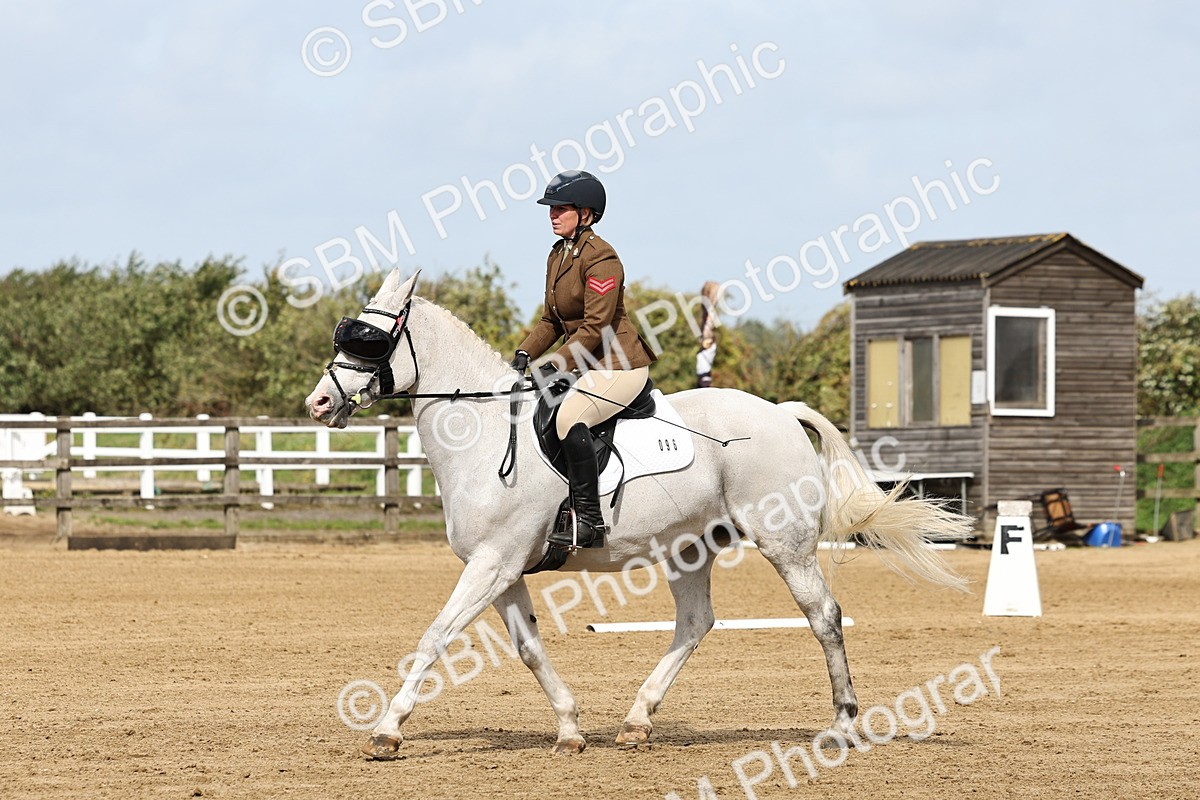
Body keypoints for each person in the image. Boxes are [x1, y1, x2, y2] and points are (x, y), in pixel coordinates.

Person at [510, 170, 657, 550]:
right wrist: (525, 353)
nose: (552, 214)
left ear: (586, 213)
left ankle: (590, 521)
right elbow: (551, 320)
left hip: (618, 364)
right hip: (587, 363)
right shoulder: (558, 255)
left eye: (561, 208)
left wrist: (555, 364)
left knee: (570, 416)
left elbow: (595, 327)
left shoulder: (602, 258)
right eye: (551, 208)